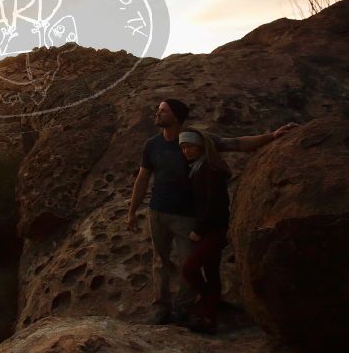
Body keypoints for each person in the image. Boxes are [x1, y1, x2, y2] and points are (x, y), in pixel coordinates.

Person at [126, 99, 298, 325]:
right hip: (157, 211)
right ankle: (161, 307)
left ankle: (183, 308)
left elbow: (236, 143)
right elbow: (143, 177)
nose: (157, 114)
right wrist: (132, 210)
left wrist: (272, 136)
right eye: (158, 110)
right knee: (160, 261)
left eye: (162, 111)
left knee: (188, 263)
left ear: (176, 116)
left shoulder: (195, 141)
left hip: (186, 215)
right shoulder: (152, 144)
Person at [178, 128, 231, 333]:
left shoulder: (209, 169)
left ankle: (209, 303)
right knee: (211, 271)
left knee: (189, 268)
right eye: (182, 148)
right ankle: (209, 316)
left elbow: (214, 203)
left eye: (189, 146)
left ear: (200, 147)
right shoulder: (198, 168)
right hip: (211, 227)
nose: (186, 151)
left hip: (213, 229)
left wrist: (199, 229)